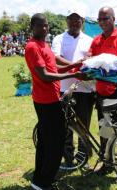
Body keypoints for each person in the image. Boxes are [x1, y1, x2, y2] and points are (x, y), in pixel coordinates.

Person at [25, 13, 83, 190]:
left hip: (50, 98)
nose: (44, 28)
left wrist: (73, 65)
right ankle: (44, 182)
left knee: (44, 141)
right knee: (55, 143)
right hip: (46, 101)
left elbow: (52, 66)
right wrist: (74, 74)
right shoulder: (33, 47)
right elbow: (45, 75)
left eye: (46, 25)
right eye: (40, 25)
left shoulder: (44, 44)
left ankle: (39, 180)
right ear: (32, 27)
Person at [88, 6, 117, 174]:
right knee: (105, 126)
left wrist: (116, 78)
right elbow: (91, 60)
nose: (102, 22)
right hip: (102, 91)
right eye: (99, 19)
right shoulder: (96, 41)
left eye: (105, 18)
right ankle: (107, 162)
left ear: (114, 19)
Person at [51, 8, 95, 169]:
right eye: (71, 18)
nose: (75, 22)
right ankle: (67, 157)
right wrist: (75, 66)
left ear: (82, 21)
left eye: (78, 19)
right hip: (64, 88)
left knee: (83, 125)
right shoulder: (59, 39)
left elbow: (91, 58)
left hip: (85, 89)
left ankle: (83, 159)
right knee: (65, 125)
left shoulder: (89, 39)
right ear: (66, 20)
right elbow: (56, 57)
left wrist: (83, 68)